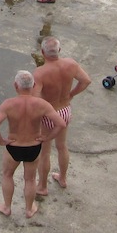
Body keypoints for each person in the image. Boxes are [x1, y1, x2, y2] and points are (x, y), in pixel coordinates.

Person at [0, 70, 66, 219]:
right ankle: (29, 209)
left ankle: (7, 207)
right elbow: (61, 124)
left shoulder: (8, 104)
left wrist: (1, 141)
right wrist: (47, 137)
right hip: (33, 146)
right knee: (30, 179)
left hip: (14, 146)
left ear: (15, 85)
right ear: (34, 86)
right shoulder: (42, 104)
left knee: (7, 175)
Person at [33, 36, 91, 194]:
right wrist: (71, 94)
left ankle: (43, 186)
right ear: (59, 50)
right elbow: (85, 80)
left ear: (43, 52)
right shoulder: (71, 64)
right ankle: (63, 178)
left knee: (45, 151)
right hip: (65, 111)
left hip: (49, 115)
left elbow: (36, 99)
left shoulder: (40, 73)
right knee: (62, 146)